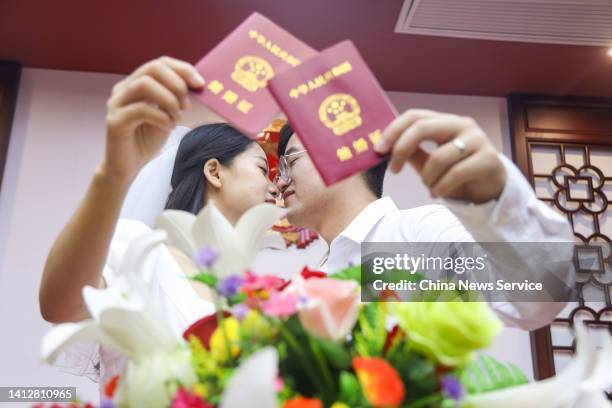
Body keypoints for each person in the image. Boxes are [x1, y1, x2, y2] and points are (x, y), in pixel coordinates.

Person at [38, 57, 280, 389]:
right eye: (263, 170)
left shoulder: (252, 292)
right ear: (214, 171)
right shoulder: (142, 249)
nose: (276, 187)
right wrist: (114, 172)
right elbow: (62, 306)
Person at [275, 114, 575, 330]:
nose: (280, 182)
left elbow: (540, 292)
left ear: (343, 156)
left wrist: (494, 200)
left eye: (290, 162)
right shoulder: (312, 277)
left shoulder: (421, 233)